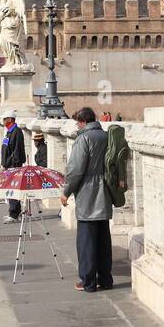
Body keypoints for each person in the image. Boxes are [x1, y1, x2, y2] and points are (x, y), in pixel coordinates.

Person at [59, 108, 112, 292]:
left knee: (86, 241)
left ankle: (88, 281)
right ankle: (105, 279)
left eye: (77, 122)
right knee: (103, 240)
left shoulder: (83, 138)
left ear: (82, 121)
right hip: (104, 191)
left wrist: (66, 191)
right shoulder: (106, 136)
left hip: (88, 193)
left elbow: (75, 170)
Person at [0, 111, 27, 222]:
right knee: (10, 189)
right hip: (8, 165)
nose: (3, 121)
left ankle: (14, 214)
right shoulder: (9, 132)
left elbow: (16, 151)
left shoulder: (17, 132)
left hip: (13, 165)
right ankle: (15, 212)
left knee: (12, 190)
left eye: (5, 119)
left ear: (10, 119)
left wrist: (11, 164)